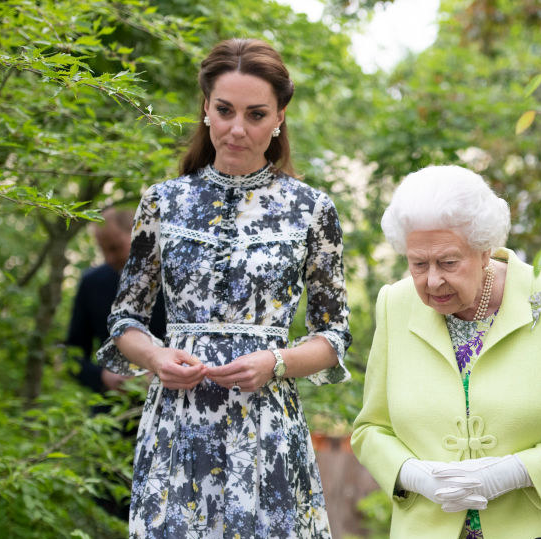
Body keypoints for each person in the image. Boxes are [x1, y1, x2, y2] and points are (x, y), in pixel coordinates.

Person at [96, 38, 352, 538]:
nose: (238, 129)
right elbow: (124, 321)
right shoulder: (162, 203)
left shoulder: (311, 210)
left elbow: (333, 336)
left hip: (268, 431)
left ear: (279, 116)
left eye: (256, 115)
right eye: (225, 110)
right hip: (178, 428)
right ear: (205, 109)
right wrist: (155, 358)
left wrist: (276, 362)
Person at [350, 165, 541, 538]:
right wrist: (414, 475)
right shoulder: (393, 304)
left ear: (484, 250)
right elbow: (371, 429)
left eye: (448, 262)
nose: (432, 280)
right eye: (418, 264)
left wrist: (515, 472)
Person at [66, 207, 165, 398]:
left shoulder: (175, 279)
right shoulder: (92, 284)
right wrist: (103, 377)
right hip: (111, 411)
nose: (109, 258)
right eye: (103, 250)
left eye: (115, 248)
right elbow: (73, 354)